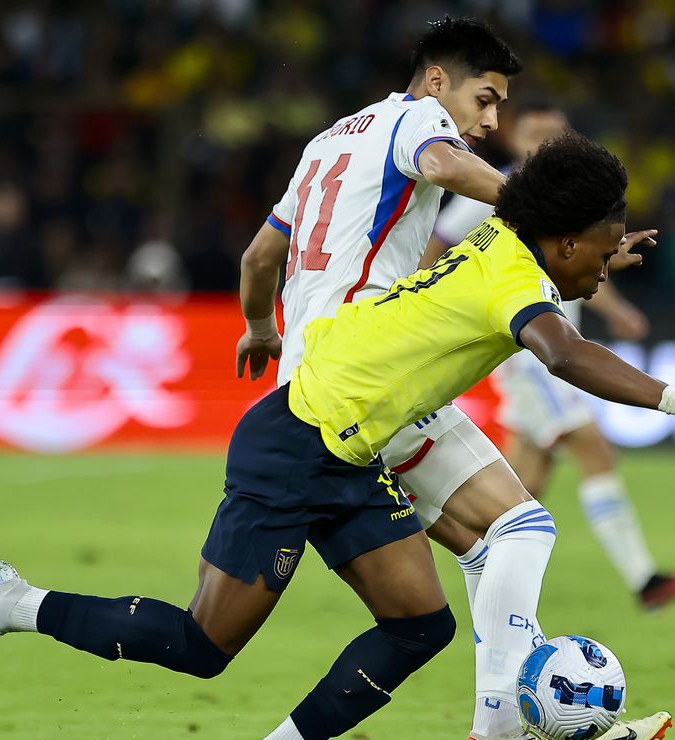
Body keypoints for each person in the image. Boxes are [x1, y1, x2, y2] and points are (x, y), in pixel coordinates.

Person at [0, 133, 675, 740]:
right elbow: (565, 352)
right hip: (295, 442)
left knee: (426, 619)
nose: (605, 270)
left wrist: (597, 249)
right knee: (201, 645)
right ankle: (13, 602)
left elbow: (557, 268)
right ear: (564, 242)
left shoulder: (510, 238)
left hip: (356, 447)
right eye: (601, 251)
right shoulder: (513, 277)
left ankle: (492, 725)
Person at [235, 17, 561, 738]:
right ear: (438, 83)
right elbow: (444, 166)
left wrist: (260, 327)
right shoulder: (416, 122)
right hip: (368, 371)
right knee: (520, 526)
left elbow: (260, 257)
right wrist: (549, 210)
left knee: (484, 549)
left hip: (304, 385)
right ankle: (503, 729)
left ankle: (504, 723)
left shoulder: (328, 141)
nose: (492, 119)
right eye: (485, 98)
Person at [428, 103, 675, 611]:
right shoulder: (496, 188)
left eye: (556, 135)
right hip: (529, 353)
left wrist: (616, 309)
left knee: (522, 484)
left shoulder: (556, 204)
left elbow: (575, 266)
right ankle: (645, 580)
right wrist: (429, 301)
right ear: (515, 140)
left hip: (546, 338)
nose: (545, 143)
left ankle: (475, 563)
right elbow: (438, 244)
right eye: (536, 134)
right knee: (594, 451)